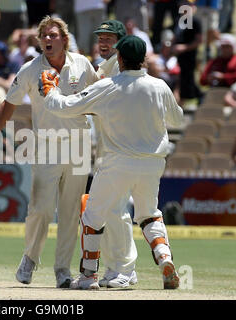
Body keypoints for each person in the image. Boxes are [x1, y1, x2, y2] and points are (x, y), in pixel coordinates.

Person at [39, 35, 182, 290]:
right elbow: (178, 120)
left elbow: (65, 106)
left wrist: (50, 91)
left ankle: (88, 276)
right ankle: (164, 259)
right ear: (144, 59)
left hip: (118, 161)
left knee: (92, 216)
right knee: (149, 215)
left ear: (120, 58)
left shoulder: (109, 86)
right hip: (153, 163)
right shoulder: (160, 86)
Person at [0, 15, 98, 288]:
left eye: (53, 35)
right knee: (41, 209)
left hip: (79, 146)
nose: (48, 39)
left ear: (65, 40)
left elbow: (99, 96)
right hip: (46, 145)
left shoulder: (82, 64)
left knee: (71, 212)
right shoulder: (30, 69)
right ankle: (30, 258)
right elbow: (8, 104)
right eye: (44, 35)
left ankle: (62, 270)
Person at [88, 19, 138, 288]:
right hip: (106, 149)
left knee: (117, 210)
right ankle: (115, 268)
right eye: (101, 37)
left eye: (109, 37)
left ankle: (125, 270)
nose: (103, 42)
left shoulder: (120, 68)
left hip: (120, 150)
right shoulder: (103, 67)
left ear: (120, 41)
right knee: (109, 210)